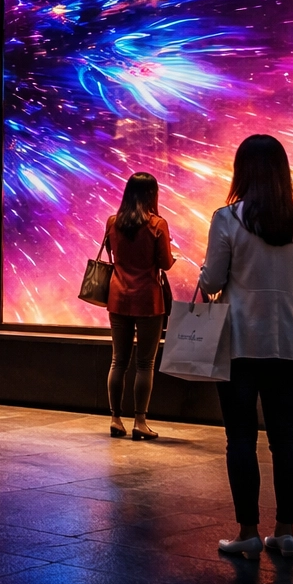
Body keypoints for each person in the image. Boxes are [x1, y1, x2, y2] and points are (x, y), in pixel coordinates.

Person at [199, 135, 293, 560]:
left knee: (240, 439)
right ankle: (285, 531)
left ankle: (248, 531)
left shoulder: (227, 218)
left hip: (238, 343)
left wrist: (208, 273)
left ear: (242, 170)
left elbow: (212, 282)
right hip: (290, 342)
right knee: (285, 436)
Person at [102, 172, 176, 440]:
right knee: (145, 363)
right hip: (148, 299)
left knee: (118, 360)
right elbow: (165, 263)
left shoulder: (113, 222)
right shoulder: (158, 224)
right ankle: (140, 422)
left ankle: (115, 418)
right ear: (151, 194)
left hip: (118, 297)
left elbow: (113, 255)